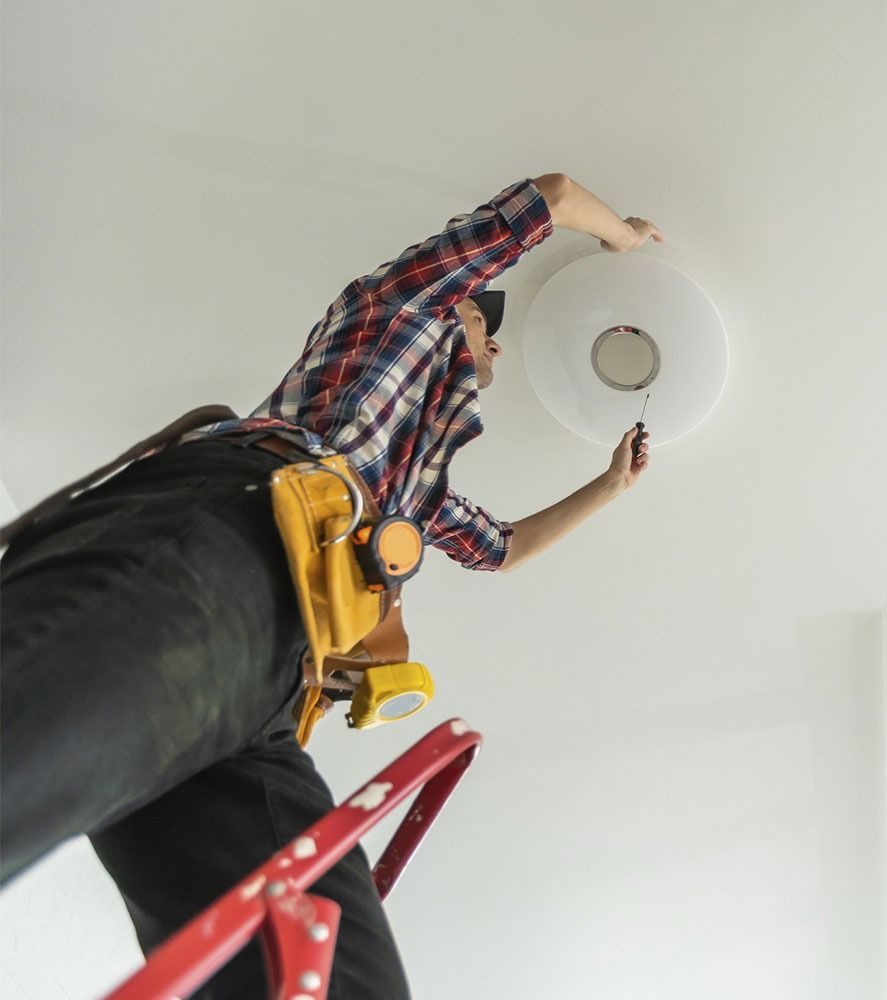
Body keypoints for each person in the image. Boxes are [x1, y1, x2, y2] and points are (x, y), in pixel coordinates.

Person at [0, 173, 661, 998]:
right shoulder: (398, 308)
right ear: (457, 304)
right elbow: (553, 197)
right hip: (235, 536)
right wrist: (624, 241)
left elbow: (505, 549)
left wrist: (610, 486)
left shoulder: (416, 493)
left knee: (339, 973)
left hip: (277, 687)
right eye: (487, 326)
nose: (496, 348)